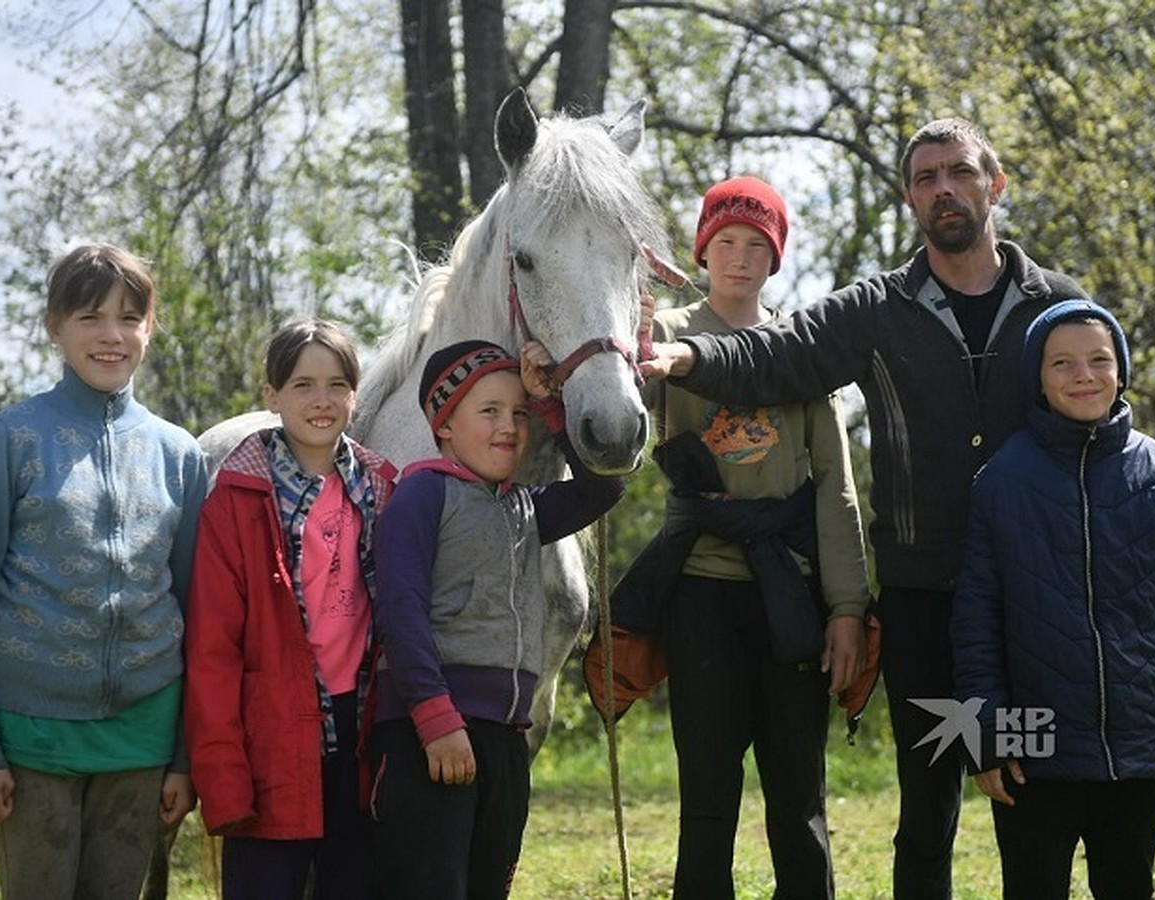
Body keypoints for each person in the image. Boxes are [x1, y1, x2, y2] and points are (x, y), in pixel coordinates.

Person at [641, 118, 1088, 898]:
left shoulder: (1056, 307)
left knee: (1032, 797)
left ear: (996, 183)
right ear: (911, 199)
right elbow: (778, 353)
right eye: (924, 178)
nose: (943, 189)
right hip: (924, 605)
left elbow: (1098, 424)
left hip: (1033, 607)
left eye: (958, 172)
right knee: (928, 806)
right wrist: (688, 354)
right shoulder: (877, 308)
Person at [622, 176, 871, 898]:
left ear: (776, 256)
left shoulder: (802, 349)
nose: (739, 257)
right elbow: (620, 408)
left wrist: (848, 607)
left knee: (799, 799)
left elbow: (836, 484)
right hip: (701, 592)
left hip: (790, 592)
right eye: (724, 242)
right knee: (706, 794)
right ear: (702, 252)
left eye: (755, 245)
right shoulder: (664, 334)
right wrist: (625, 330)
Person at [0, 243, 207, 900]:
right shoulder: (9, 440)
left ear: (149, 328)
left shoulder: (179, 456)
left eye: (129, 317)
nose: (111, 335)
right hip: (32, 736)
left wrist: (185, 755)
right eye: (89, 317)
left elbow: (199, 616)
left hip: (143, 735)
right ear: (54, 326)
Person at [366, 339, 624, 899]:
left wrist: (553, 404)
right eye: (488, 412)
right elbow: (401, 610)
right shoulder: (420, 494)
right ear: (444, 426)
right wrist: (435, 721)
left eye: (519, 414)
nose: (509, 426)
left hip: (505, 740)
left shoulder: (526, 508)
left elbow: (605, 486)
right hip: (428, 738)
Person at [952, 299, 1155, 899]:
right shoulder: (1002, 480)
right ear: (1038, 379)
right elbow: (977, 620)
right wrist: (988, 734)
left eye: (1099, 360)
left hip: (1136, 743)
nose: (1083, 376)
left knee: (1128, 886)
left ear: (1121, 369)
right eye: (1062, 363)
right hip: (1031, 741)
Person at [183, 318, 399, 900]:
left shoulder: (384, 490)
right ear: (272, 396)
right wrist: (223, 779)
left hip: (360, 742)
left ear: (356, 395)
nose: (321, 401)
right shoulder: (236, 500)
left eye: (337, 385)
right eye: (302, 385)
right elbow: (212, 650)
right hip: (269, 744)